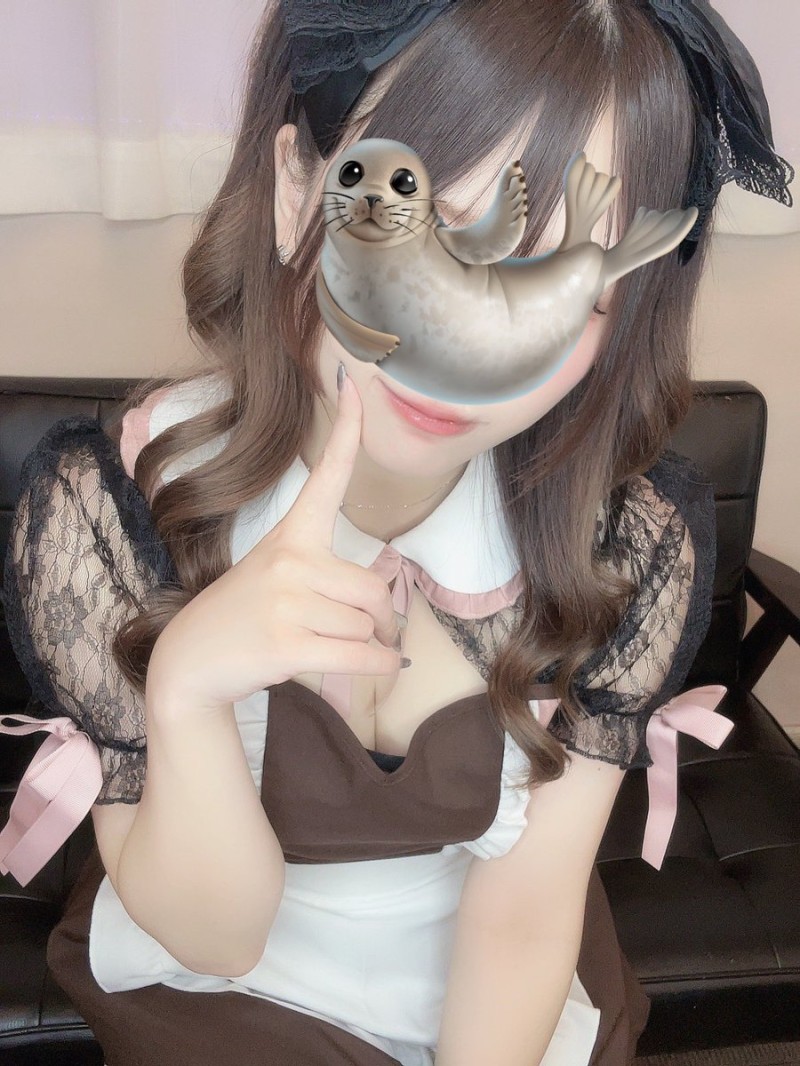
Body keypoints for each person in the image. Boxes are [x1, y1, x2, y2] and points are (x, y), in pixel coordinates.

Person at [1, 1, 792, 1064]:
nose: (455, 335)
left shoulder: (619, 549)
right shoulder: (110, 513)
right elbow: (216, 937)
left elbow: (522, 918)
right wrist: (187, 685)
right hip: (222, 994)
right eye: (419, 222)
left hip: (482, 987)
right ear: (296, 190)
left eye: (555, 273)